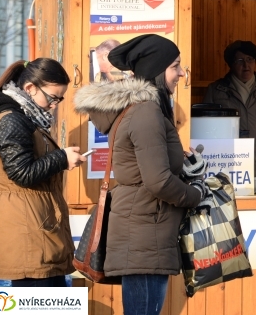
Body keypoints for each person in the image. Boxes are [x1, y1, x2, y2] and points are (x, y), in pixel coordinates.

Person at [74, 35, 204, 315]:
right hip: (145, 233)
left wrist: (185, 166)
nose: (182, 74)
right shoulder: (146, 112)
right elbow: (158, 181)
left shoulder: (144, 109)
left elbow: (148, 168)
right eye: (175, 66)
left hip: (145, 229)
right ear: (156, 69)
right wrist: (197, 194)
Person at [0, 58, 85, 286]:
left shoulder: (24, 118)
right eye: (52, 98)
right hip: (25, 232)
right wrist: (62, 158)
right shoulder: (12, 120)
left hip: (33, 227)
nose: (54, 105)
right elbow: (21, 172)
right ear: (30, 88)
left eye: (59, 99)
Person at [204, 40, 256, 184]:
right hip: (229, 167)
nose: (246, 65)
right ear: (231, 64)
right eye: (240, 61)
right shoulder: (215, 90)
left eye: (250, 59)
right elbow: (206, 132)